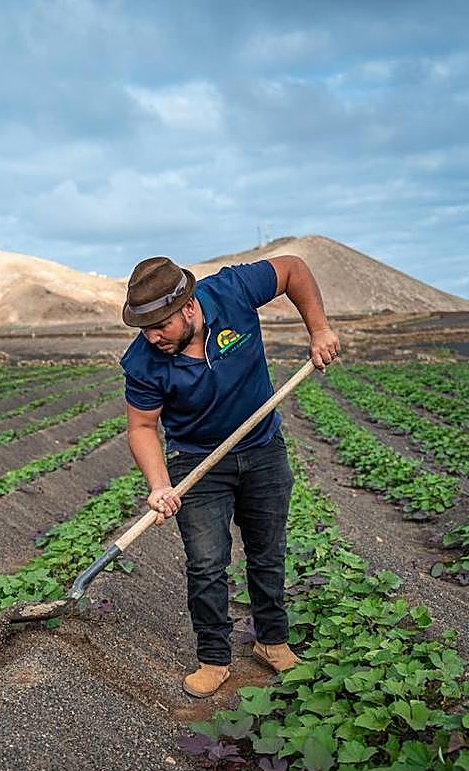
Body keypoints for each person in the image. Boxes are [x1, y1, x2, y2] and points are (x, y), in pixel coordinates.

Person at [119, 254, 339, 698]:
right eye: (144, 328)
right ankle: (214, 658)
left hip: (262, 449)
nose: (152, 336)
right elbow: (142, 428)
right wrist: (160, 484)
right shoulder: (143, 362)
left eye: (160, 325)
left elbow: (294, 268)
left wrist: (318, 329)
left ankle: (272, 642)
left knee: (267, 551)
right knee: (205, 564)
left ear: (189, 307)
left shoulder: (233, 290)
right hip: (196, 462)